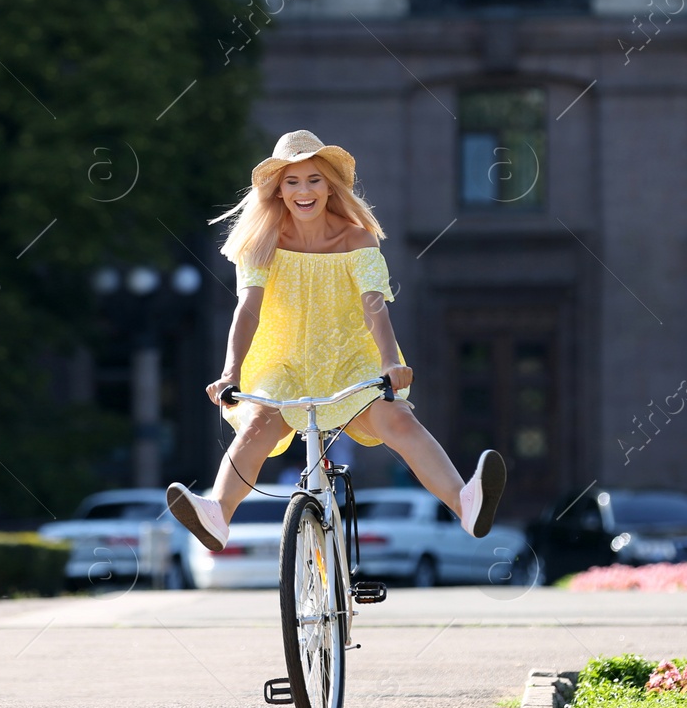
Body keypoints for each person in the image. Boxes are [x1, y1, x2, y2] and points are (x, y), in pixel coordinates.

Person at [165, 130, 506, 551]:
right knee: (257, 424)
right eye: (292, 181)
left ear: (330, 185)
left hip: (351, 359)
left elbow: (373, 305)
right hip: (282, 362)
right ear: (279, 190)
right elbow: (247, 310)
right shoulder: (260, 245)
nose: (303, 191)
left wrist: (388, 362)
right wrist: (230, 372)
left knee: (398, 419)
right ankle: (217, 515)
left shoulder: (356, 239)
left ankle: (466, 504)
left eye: (313, 179)